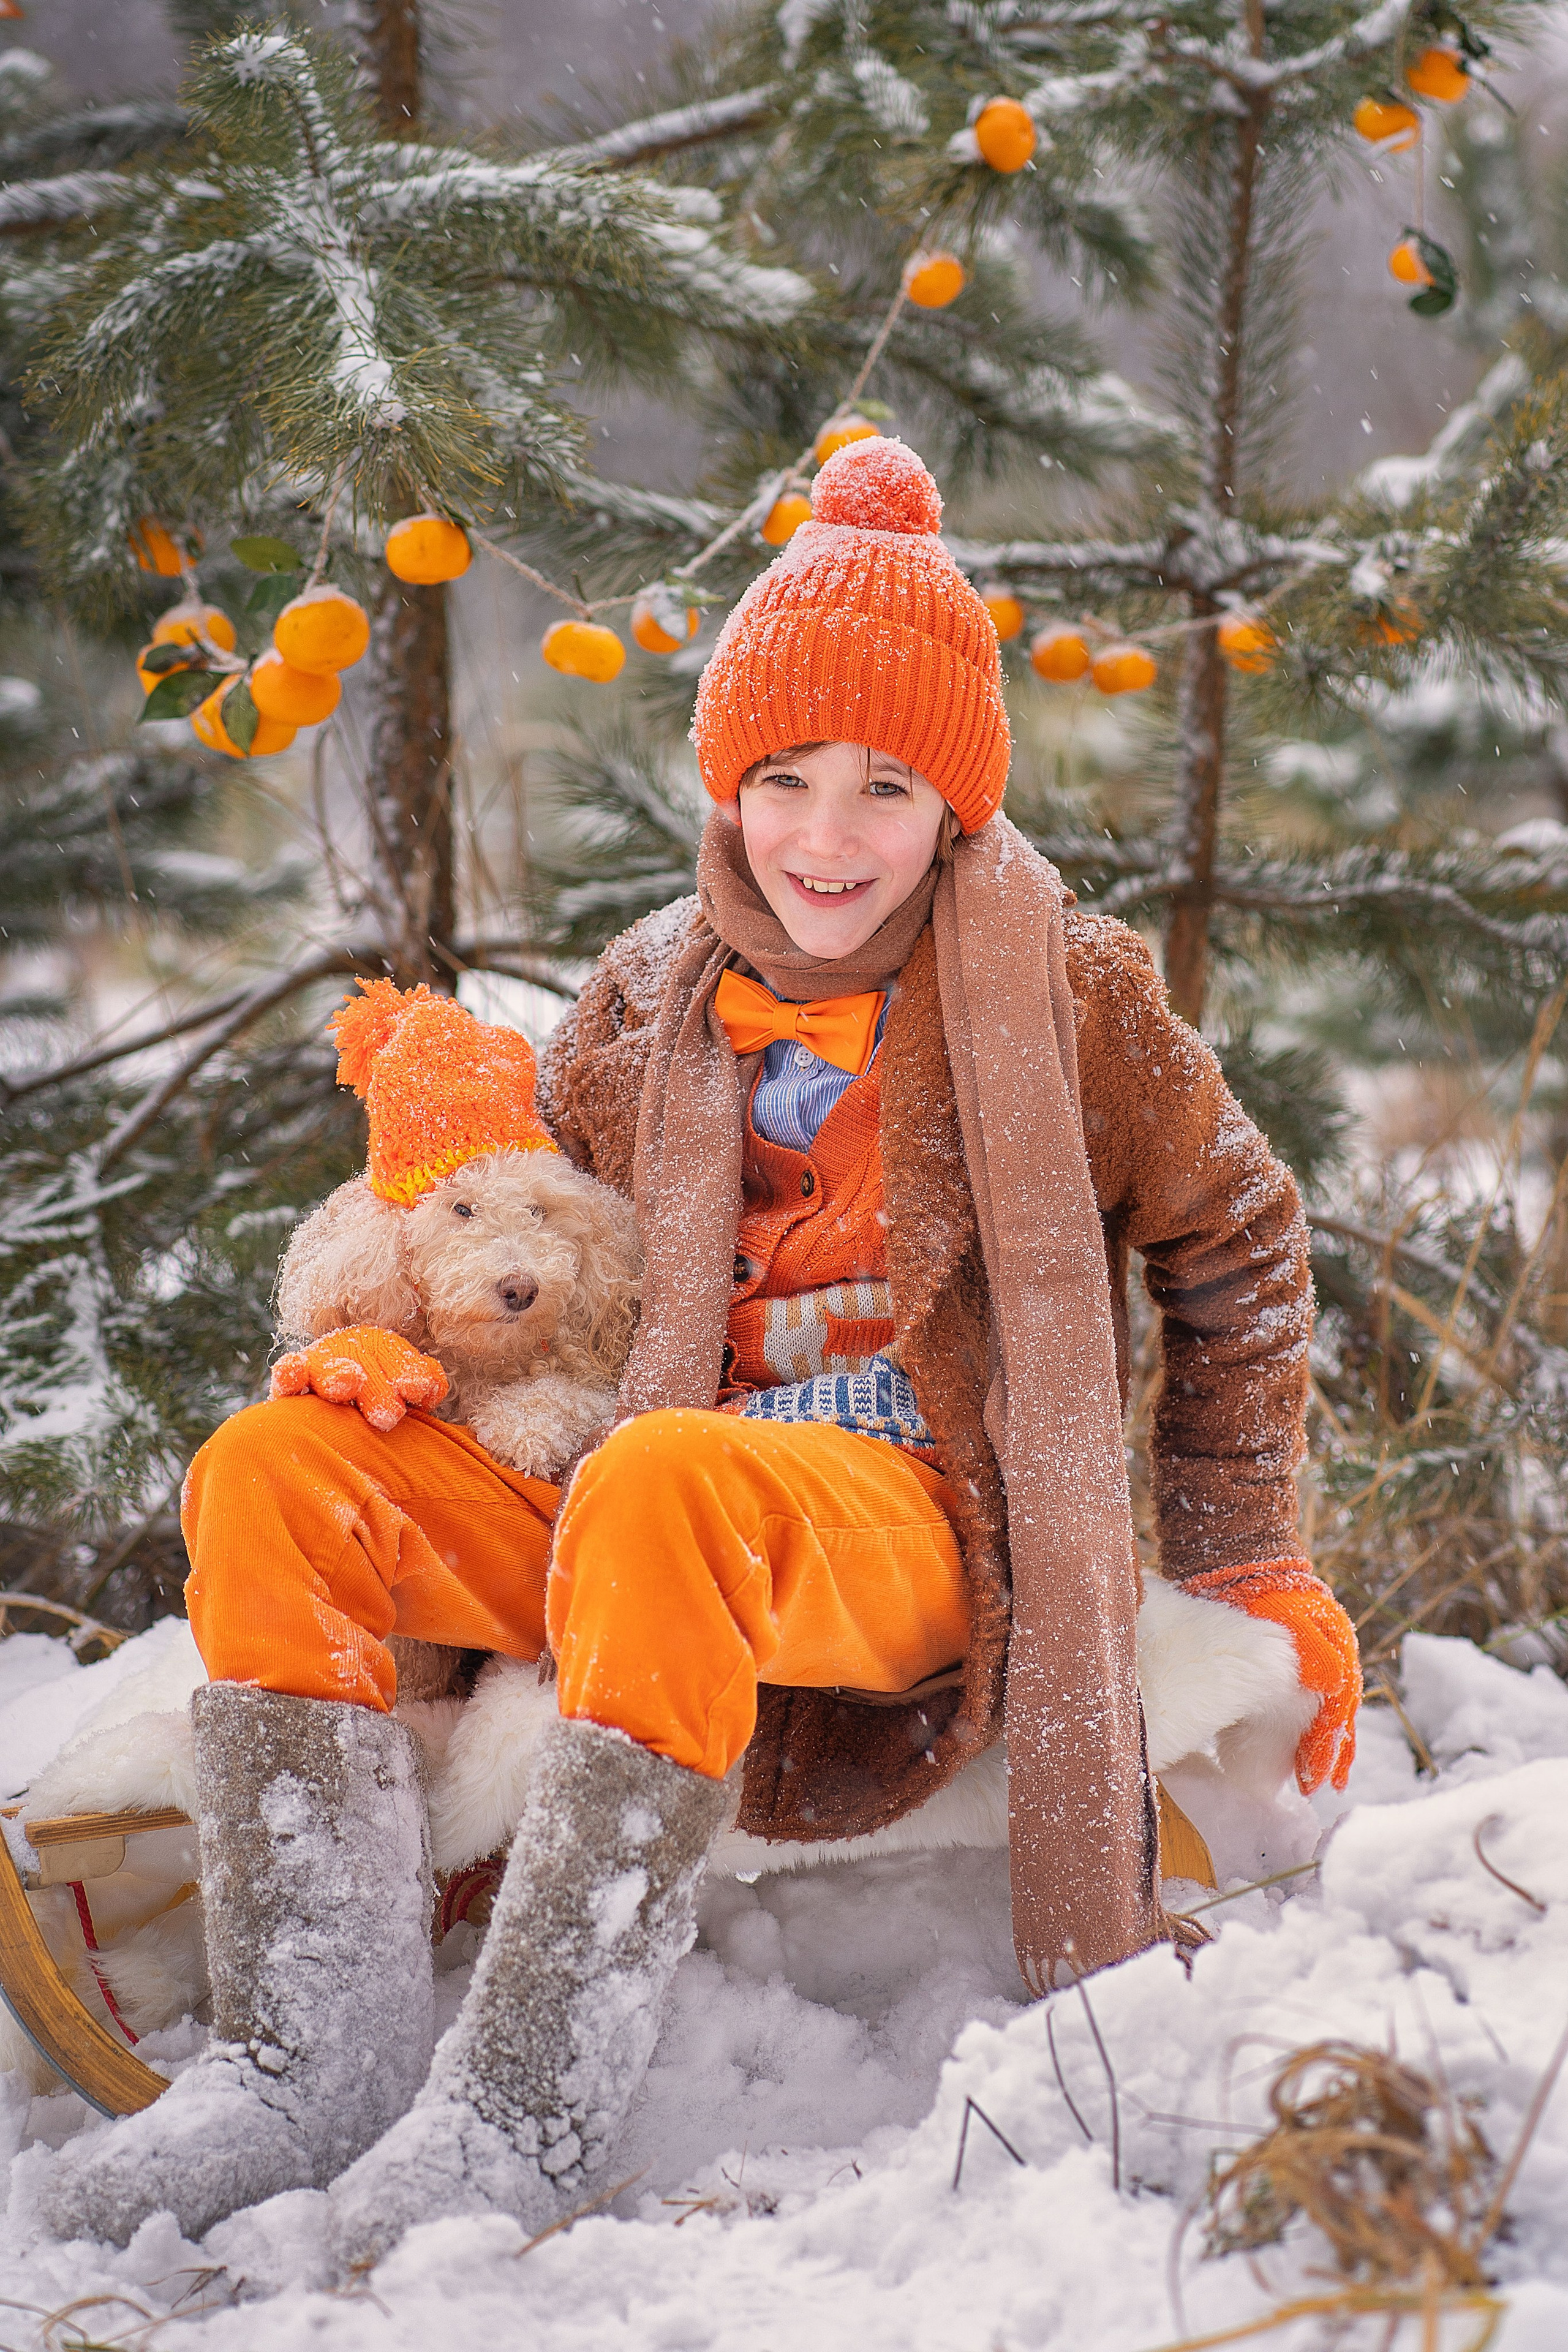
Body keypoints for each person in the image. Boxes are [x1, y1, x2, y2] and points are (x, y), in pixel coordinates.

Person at [44, 436, 1360, 2263]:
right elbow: (544, 1259)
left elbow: (1243, 1238)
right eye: (785, 776)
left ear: (956, 806)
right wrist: (413, 1355)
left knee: (668, 1475)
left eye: (886, 787)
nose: (826, 835)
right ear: (724, 777)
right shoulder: (642, 994)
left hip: (898, 1523)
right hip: (633, 1481)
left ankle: (523, 2098)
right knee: (276, 1470)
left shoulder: (1071, 994)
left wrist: (1246, 1548)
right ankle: (303, 2062)